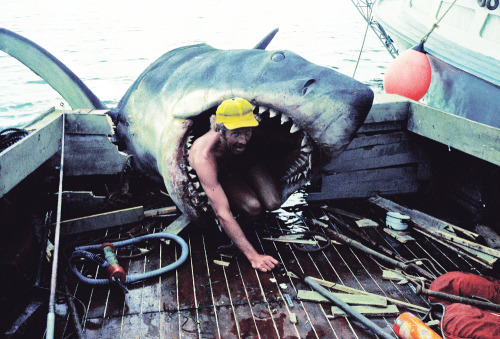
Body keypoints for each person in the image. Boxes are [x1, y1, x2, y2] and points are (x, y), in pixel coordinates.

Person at [188, 98, 280, 272]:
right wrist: (254, 257)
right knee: (253, 208)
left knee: (273, 202)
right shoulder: (204, 157)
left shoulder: (244, 141)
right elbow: (222, 213)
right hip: (223, 173)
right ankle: (236, 236)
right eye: (236, 133)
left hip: (242, 162)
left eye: (247, 132)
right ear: (220, 131)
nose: (244, 140)